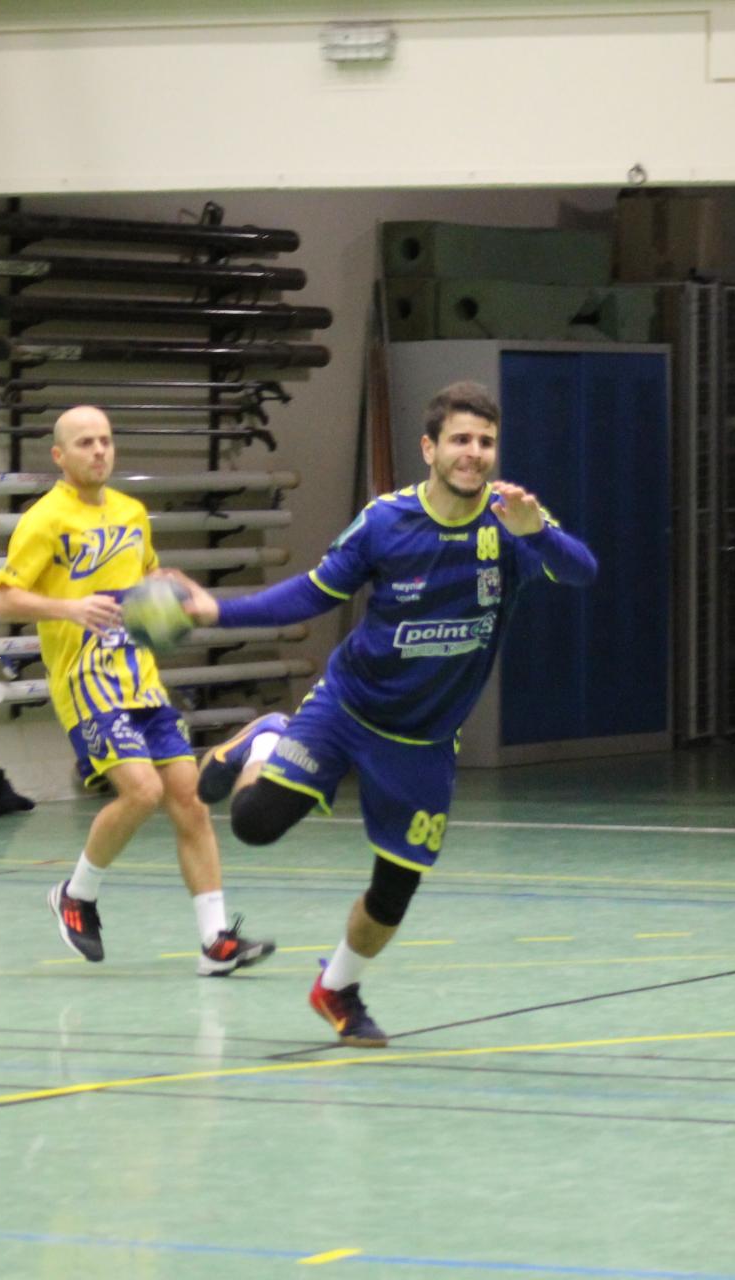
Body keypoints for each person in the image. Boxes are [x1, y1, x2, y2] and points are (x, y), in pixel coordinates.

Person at [163, 381, 597, 1046]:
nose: (474, 453)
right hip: (349, 707)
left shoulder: (511, 525)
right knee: (254, 824)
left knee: (394, 891)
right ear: (429, 448)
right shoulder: (386, 522)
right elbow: (312, 593)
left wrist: (537, 530)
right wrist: (217, 612)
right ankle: (265, 739)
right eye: (460, 439)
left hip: (424, 742)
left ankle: (336, 989)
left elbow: (583, 571)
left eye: (485, 442)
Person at [0, 405, 273, 977]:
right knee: (141, 791)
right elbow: (5, 598)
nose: (99, 450)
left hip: (140, 678)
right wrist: (69, 608)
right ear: (59, 456)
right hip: (86, 681)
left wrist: (170, 591)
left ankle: (215, 941)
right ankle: (76, 893)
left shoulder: (132, 512)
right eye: (85, 443)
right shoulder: (44, 519)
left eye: (105, 440)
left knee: (189, 800)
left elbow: (147, 581)